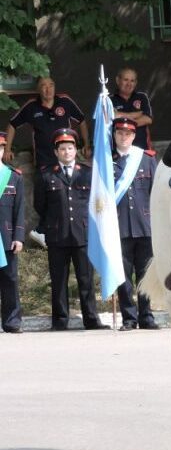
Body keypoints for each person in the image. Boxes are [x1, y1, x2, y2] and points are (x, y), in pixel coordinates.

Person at [7, 76, 91, 249]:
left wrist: (86, 144)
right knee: (43, 199)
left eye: (51, 85)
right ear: (38, 89)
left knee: (65, 198)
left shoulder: (65, 102)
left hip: (66, 161)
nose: (47, 89)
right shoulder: (31, 106)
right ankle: (43, 230)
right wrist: (7, 149)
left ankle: (44, 231)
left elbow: (81, 120)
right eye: (43, 86)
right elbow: (12, 124)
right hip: (44, 162)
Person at [36, 129, 108, 330]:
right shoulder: (46, 175)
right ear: (56, 152)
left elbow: (95, 202)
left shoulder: (87, 173)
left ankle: (91, 319)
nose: (67, 152)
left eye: (70, 148)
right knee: (59, 281)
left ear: (76, 150)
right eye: (62, 148)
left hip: (83, 234)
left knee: (86, 280)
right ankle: (60, 321)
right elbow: (39, 205)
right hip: (57, 235)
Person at [111, 118, 159, 330]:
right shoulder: (106, 161)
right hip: (119, 227)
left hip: (144, 225)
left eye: (127, 134)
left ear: (133, 136)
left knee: (145, 274)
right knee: (123, 276)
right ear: (114, 135)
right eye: (120, 133)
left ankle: (146, 316)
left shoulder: (147, 159)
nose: (123, 137)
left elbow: (156, 194)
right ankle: (129, 317)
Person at [0, 132, 25, 333]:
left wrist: (18, 237)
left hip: (6, 237)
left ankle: (12, 321)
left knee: (10, 280)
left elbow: (20, 210)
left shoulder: (14, 176)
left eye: (0, 148)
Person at [109, 67, 155, 151]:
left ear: (136, 83)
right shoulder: (109, 100)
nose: (129, 84)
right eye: (126, 80)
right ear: (118, 80)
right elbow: (111, 120)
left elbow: (148, 119)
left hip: (142, 149)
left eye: (132, 81)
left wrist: (121, 116)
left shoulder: (142, 97)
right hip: (118, 151)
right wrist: (135, 115)